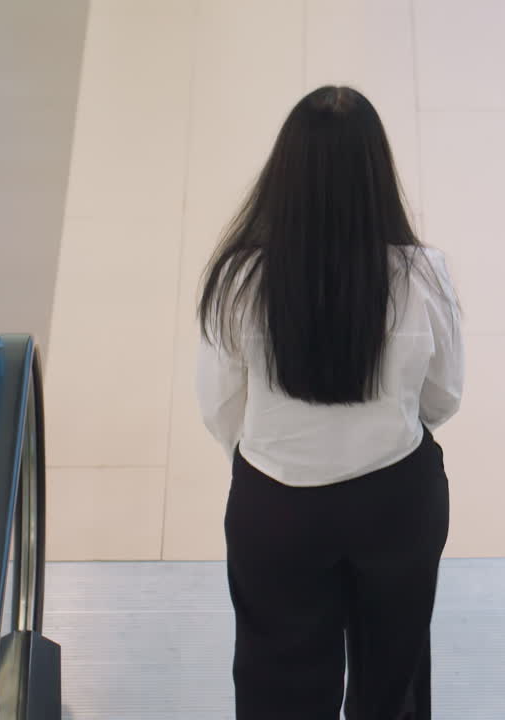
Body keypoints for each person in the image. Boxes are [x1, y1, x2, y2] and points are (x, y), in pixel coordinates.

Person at [196, 85, 464, 720]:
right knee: (393, 670)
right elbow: (444, 397)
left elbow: (220, 410)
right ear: (378, 174)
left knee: (275, 676)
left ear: (283, 174)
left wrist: (273, 449)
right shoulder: (425, 275)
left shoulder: (239, 281)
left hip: (277, 509)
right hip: (394, 500)